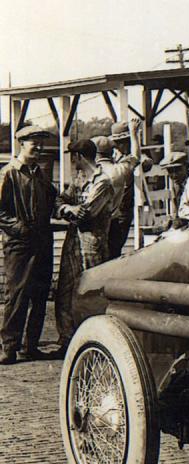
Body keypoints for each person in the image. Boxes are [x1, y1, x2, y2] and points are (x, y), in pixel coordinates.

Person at [0, 126, 57, 363]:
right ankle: (9, 347)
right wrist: (20, 228)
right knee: (17, 294)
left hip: (42, 241)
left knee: (40, 294)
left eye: (42, 143)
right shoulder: (9, 173)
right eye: (35, 143)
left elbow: (55, 200)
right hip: (19, 245)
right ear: (21, 143)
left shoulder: (41, 174)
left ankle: (30, 345)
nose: (40, 148)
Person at [54, 139, 116, 352]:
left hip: (92, 245)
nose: (72, 162)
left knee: (90, 293)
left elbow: (86, 214)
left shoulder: (102, 182)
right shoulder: (79, 179)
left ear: (79, 156)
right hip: (73, 244)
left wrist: (70, 210)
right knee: (64, 292)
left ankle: (93, 341)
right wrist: (67, 209)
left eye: (73, 157)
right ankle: (66, 342)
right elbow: (60, 202)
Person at [105, 118, 144, 259]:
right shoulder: (119, 162)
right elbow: (136, 157)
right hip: (118, 209)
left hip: (121, 209)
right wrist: (134, 135)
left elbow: (139, 158)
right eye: (123, 142)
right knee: (113, 248)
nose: (126, 145)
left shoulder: (117, 160)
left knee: (114, 247)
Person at [160, 151, 189, 229]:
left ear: (187, 166)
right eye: (170, 171)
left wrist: (182, 221)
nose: (174, 175)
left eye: (178, 170)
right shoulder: (176, 185)